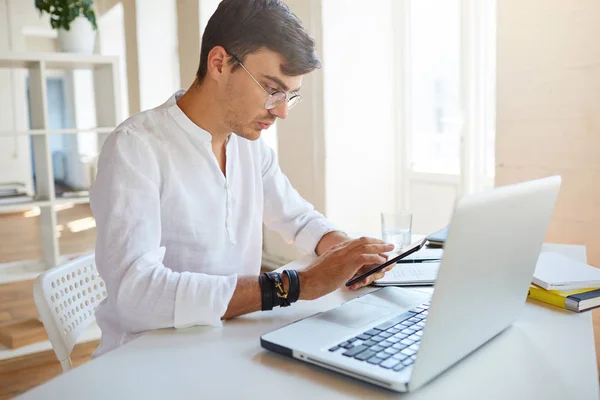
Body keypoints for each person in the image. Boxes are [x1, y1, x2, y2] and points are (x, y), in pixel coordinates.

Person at [90, 0, 393, 357]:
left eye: (289, 97)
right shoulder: (135, 148)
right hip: (147, 359)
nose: (280, 111)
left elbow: (298, 219)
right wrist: (295, 285)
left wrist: (346, 252)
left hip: (227, 345)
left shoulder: (249, 146)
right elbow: (135, 295)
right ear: (219, 63)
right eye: (271, 89)